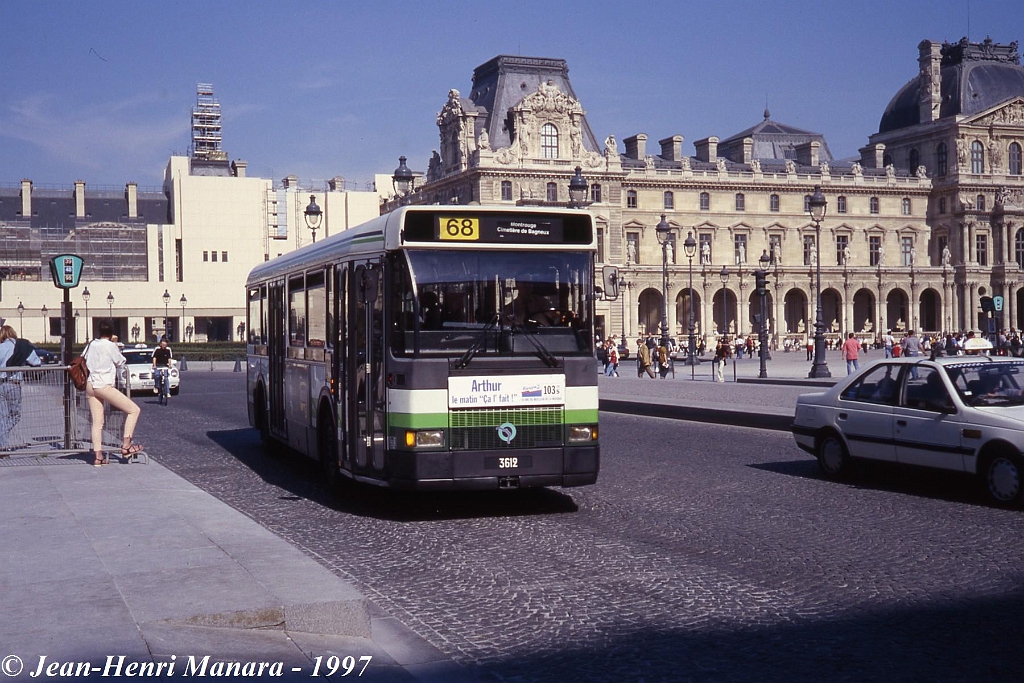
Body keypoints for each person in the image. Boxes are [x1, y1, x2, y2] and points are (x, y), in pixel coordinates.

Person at [85, 320, 142, 466]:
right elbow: (120, 361)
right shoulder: (110, 346)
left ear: (98, 331)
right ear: (111, 333)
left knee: (97, 423)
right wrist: (115, 345)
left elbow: (85, 359)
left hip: (90, 384)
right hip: (104, 384)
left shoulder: (92, 344)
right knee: (133, 410)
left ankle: (98, 457)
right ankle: (126, 446)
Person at [0, 325, 42, 452]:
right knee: (15, 415)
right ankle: (2, 442)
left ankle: (3, 445)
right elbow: (36, 362)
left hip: (0, 383)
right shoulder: (21, 347)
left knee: (2, 417)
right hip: (14, 383)